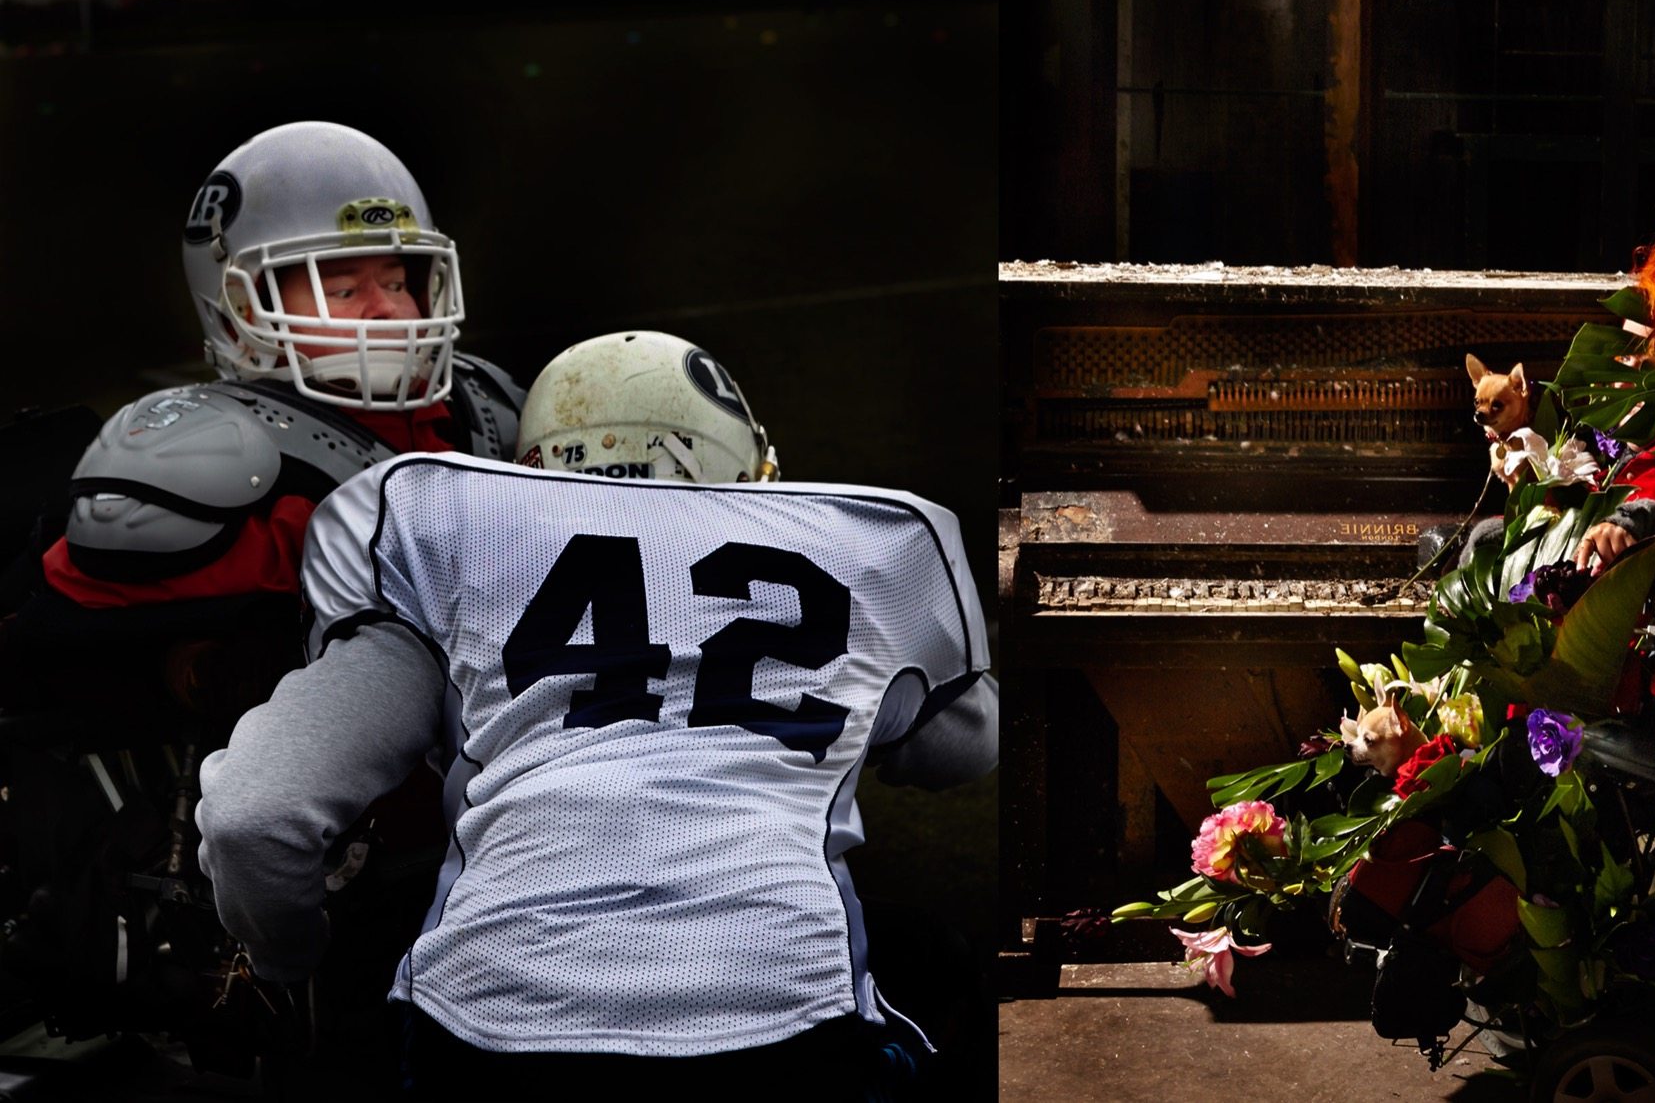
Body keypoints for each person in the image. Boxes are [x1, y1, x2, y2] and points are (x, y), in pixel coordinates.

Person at [195, 330, 998, 1101]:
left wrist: (285, 962)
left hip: (495, 1016)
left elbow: (254, 817)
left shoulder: (452, 536)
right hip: (775, 1007)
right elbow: (966, 746)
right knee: (945, 978)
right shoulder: (857, 551)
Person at [0, 121, 526, 1079]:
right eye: (340, 284)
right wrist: (227, 665)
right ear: (238, 298)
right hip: (350, 873)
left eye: (398, 278)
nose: (385, 308)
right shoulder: (223, 455)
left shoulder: (490, 408)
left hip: (525, 830)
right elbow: (49, 651)